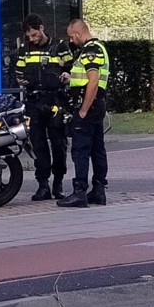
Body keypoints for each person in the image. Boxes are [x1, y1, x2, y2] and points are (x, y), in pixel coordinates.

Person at [12, 14, 72, 201]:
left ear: (42, 28)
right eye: (29, 36)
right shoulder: (24, 50)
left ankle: (58, 183)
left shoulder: (59, 46)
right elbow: (18, 72)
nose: (32, 39)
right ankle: (43, 185)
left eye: (34, 34)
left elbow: (71, 67)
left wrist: (65, 75)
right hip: (34, 102)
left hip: (55, 101)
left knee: (58, 144)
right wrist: (20, 79)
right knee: (38, 144)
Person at [58, 19, 109, 208]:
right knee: (97, 148)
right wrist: (70, 78)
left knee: (80, 150)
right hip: (97, 105)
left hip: (89, 106)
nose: (71, 41)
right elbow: (86, 78)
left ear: (79, 33)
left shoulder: (91, 50)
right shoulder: (97, 48)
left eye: (72, 36)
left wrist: (83, 109)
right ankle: (98, 190)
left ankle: (79, 192)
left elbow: (93, 81)